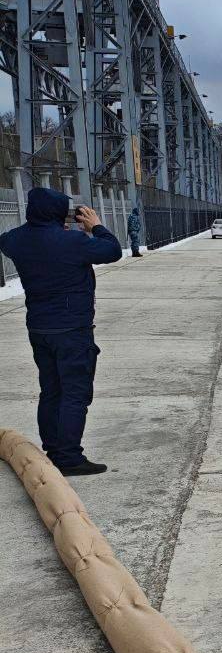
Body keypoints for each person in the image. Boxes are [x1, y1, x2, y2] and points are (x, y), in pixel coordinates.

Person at [0, 188, 122, 474]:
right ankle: (68, 457)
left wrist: (51, 228)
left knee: (51, 389)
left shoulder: (16, 240)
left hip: (39, 327)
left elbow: (12, 241)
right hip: (72, 328)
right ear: (57, 214)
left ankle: (53, 448)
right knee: (75, 392)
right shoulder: (73, 241)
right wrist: (96, 226)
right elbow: (112, 251)